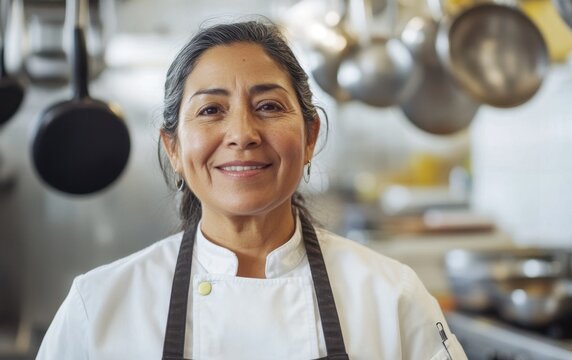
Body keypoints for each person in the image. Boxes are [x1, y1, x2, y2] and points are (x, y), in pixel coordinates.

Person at [36, 20, 468, 360]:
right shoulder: (98, 307)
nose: (242, 133)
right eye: (211, 110)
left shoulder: (391, 297)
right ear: (173, 147)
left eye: (268, 106)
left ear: (310, 136)